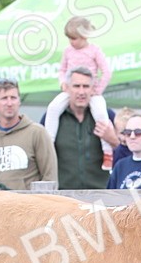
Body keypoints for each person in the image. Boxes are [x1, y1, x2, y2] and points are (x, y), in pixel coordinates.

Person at [44, 16, 112, 164]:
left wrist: (98, 89)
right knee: (53, 108)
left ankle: (107, 152)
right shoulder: (68, 51)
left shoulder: (94, 51)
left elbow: (106, 71)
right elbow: (62, 70)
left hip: (91, 92)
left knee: (101, 113)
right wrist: (63, 83)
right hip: (70, 91)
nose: (71, 42)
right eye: (69, 38)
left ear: (85, 36)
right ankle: (49, 146)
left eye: (74, 38)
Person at [0, 79, 57, 191]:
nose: (9, 103)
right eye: (4, 98)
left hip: (28, 205)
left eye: (13, 98)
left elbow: (50, 178)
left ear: (19, 101)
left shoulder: (37, 133)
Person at [51, 66, 118, 190]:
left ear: (93, 89)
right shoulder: (53, 117)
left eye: (86, 86)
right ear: (66, 88)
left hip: (102, 194)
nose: (81, 92)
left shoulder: (108, 115)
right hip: (64, 196)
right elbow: (43, 154)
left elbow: (127, 153)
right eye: (76, 86)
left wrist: (113, 140)